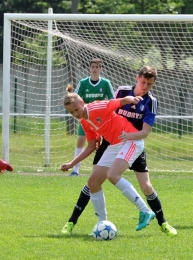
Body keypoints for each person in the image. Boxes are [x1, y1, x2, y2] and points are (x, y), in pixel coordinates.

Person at [62, 66, 177, 236]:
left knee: (130, 181)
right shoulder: (85, 121)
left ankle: (149, 213)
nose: (75, 114)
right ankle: (101, 224)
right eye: (71, 112)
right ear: (137, 78)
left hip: (131, 140)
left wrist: (130, 99)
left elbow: (114, 104)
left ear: (82, 103)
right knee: (93, 182)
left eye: (76, 110)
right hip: (114, 142)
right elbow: (92, 145)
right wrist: (72, 163)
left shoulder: (97, 107)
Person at [69, 58, 114, 176]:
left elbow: (112, 100)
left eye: (97, 67)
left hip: (101, 120)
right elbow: (75, 99)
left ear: (101, 69)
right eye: (92, 66)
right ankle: (75, 170)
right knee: (81, 141)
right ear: (89, 68)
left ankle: (107, 169)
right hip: (85, 118)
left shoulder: (106, 83)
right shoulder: (83, 83)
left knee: (106, 143)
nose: (94, 69)